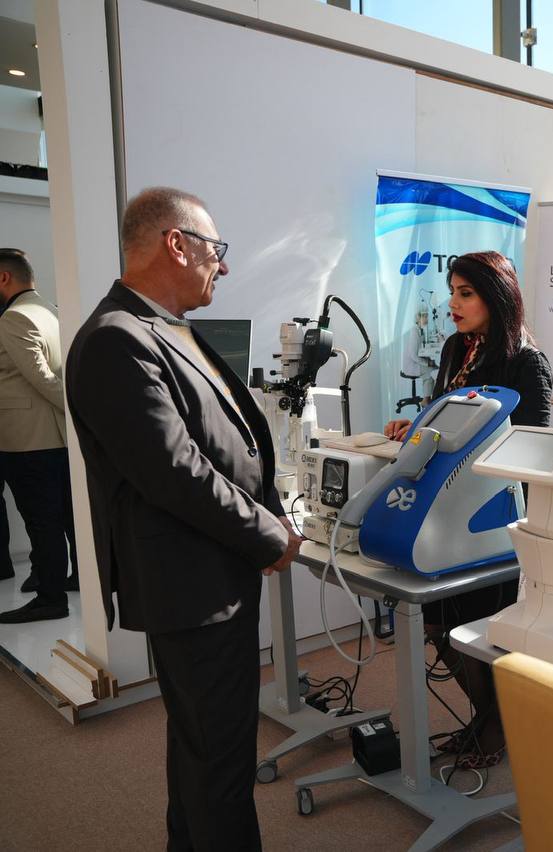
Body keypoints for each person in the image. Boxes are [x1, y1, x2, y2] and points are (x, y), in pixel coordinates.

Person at [65, 187, 300, 850]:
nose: (223, 265)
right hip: (192, 586)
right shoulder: (116, 340)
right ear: (177, 243)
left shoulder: (163, 329)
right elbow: (176, 473)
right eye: (215, 249)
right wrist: (268, 533)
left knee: (205, 748)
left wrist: (268, 506)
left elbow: (221, 441)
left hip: (212, 573)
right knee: (219, 761)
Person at [384, 250, 552, 769]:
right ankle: (490, 718)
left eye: (465, 294)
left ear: (495, 298)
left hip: (493, 516)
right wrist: (417, 428)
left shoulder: (527, 362)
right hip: (446, 507)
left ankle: (496, 725)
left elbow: (534, 448)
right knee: (440, 624)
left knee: (480, 628)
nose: (453, 304)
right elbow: (446, 414)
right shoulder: (456, 348)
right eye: (452, 293)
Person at [0, 248, 76, 623]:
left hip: (28, 441)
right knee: (63, 518)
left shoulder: (13, 317)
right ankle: (67, 582)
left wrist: (76, 409)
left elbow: (42, 377)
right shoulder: (51, 311)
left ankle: (50, 599)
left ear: (4, 278)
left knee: (41, 521)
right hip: (55, 437)